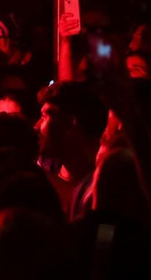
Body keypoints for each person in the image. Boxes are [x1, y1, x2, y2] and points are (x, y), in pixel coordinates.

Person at [35, 81, 108, 219]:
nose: (36, 126)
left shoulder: (111, 177)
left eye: (45, 116)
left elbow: (105, 235)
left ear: (70, 122)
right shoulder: (46, 166)